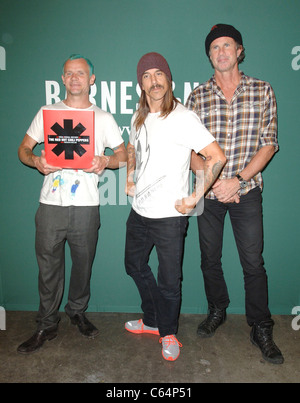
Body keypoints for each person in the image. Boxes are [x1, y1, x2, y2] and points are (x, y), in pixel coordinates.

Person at [186, 24, 284, 364]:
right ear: (209, 55)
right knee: (209, 260)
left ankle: (260, 326)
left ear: (239, 51)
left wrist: (237, 180)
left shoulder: (262, 90)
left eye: (227, 45)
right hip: (209, 194)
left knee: (253, 263)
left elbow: (269, 144)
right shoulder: (197, 97)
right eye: (215, 47)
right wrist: (215, 183)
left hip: (247, 190)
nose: (221, 52)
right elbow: (191, 154)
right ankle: (218, 308)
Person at [17, 54, 127, 354]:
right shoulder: (47, 112)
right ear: (62, 79)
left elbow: (123, 154)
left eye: (81, 73)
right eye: (69, 74)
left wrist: (107, 160)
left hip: (87, 204)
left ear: (91, 80)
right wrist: (36, 160)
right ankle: (46, 323)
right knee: (48, 267)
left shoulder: (102, 119)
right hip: (50, 204)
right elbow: (23, 149)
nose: (75, 78)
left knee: (83, 265)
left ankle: (76, 310)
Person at [124, 52, 226, 361]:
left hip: (170, 217)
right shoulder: (138, 116)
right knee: (133, 265)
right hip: (139, 212)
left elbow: (216, 157)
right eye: (146, 76)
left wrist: (195, 197)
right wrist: (130, 174)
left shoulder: (183, 117)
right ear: (140, 84)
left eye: (158, 74)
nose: (153, 81)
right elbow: (132, 148)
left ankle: (167, 332)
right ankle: (152, 319)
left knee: (169, 281)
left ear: (169, 80)